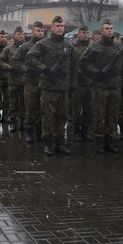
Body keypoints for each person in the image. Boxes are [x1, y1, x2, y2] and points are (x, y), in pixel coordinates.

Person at [25, 15, 74, 156]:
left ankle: (60, 142)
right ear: (52, 28)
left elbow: (73, 67)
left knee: (62, 116)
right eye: (57, 26)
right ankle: (48, 143)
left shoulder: (68, 45)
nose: (60, 28)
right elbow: (30, 57)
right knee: (48, 116)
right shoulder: (43, 44)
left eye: (62, 26)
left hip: (64, 87)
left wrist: (73, 85)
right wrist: (44, 69)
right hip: (48, 87)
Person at [78, 20, 123, 153]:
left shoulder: (118, 47)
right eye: (107, 29)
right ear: (101, 31)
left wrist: (120, 76)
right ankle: (99, 141)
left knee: (112, 115)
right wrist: (97, 73)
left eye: (111, 28)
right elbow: (83, 63)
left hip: (115, 87)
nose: (109, 30)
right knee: (99, 115)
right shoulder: (95, 47)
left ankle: (109, 141)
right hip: (100, 87)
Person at [11, 21, 46, 143]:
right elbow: (14, 62)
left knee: (43, 109)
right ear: (32, 32)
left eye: (42, 31)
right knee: (30, 109)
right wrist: (27, 70)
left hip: (44, 83)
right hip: (31, 83)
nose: (40, 33)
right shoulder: (25, 47)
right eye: (38, 30)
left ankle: (40, 132)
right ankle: (29, 132)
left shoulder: (46, 46)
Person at [0, 26, 26, 132]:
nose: (21, 36)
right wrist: (9, 68)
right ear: (14, 35)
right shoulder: (8, 49)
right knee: (13, 102)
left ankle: (23, 122)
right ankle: (13, 122)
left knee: (24, 102)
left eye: (23, 34)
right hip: (13, 80)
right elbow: (0, 60)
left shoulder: (27, 48)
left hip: (25, 80)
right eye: (19, 34)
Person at [70, 25, 93, 142]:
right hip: (78, 84)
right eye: (83, 32)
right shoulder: (73, 48)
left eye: (87, 32)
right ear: (79, 34)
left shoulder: (93, 47)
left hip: (90, 83)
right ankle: (77, 131)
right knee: (77, 110)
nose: (85, 34)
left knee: (88, 110)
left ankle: (85, 131)